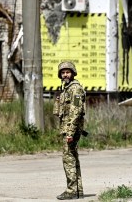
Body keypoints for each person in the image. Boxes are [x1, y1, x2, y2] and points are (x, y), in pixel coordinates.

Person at [53, 61, 86, 200]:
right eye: (63, 72)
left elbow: (76, 111)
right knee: (72, 158)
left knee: (68, 159)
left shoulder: (75, 89)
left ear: (73, 73)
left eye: (68, 72)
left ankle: (72, 190)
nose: (65, 74)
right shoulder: (66, 88)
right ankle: (77, 190)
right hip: (67, 128)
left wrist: (70, 132)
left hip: (71, 129)